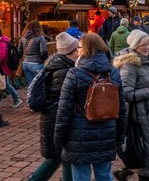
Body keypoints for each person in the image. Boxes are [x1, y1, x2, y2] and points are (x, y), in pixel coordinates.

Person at [54, 33, 126, 181]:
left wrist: (58, 138)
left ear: (85, 49)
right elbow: (121, 108)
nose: (78, 50)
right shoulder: (113, 73)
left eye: (80, 47)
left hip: (79, 133)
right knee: (104, 175)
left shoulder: (74, 73)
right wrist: (120, 136)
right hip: (107, 130)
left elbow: (64, 110)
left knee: (81, 176)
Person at [113, 30, 149, 181]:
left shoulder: (147, 60)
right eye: (142, 45)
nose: (146, 47)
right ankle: (130, 172)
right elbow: (126, 94)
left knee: (147, 155)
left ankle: (125, 172)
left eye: (148, 44)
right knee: (147, 158)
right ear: (134, 46)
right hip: (141, 119)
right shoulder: (130, 65)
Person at [26, 32, 79, 181]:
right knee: (61, 156)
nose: (79, 51)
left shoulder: (56, 64)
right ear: (70, 52)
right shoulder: (64, 71)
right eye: (77, 49)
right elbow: (67, 97)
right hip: (57, 119)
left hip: (52, 117)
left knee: (58, 157)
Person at [0, 26, 23, 108]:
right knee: (2, 84)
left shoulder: (1, 43)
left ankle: (16, 98)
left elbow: (1, 57)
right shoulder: (0, 42)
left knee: (6, 84)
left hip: (2, 67)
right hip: (1, 67)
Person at [19, 21, 49, 86]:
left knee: (31, 86)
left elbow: (19, 52)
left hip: (25, 64)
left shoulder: (22, 38)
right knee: (39, 85)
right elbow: (44, 51)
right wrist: (44, 58)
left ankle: (30, 96)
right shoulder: (40, 38)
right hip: (37, 63)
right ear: (39, 28)